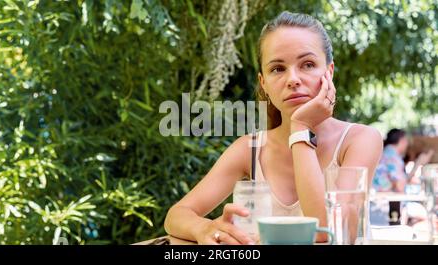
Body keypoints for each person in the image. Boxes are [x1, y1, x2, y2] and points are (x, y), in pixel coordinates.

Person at [164, 11, 383, 245]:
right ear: (263, 83)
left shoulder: (360, 140)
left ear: (328, 72)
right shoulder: (250, 148)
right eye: (278, 69)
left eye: (307, 64)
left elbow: (325, 231)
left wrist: (300, 129)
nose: (293, 79)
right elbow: (176, 215)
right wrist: (205, 228)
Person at [372, 129, 435, 193]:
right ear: (402, 140)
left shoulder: (384, 153)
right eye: (407, 141)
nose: (407, 144)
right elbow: (400, 187)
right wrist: (418, 164)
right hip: (385, 199)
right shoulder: (393, 158)